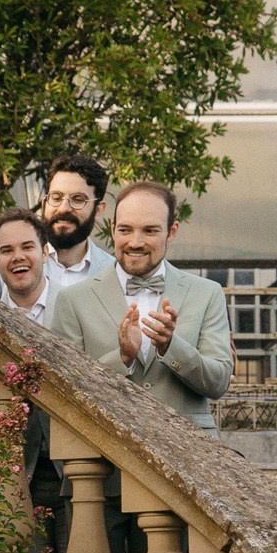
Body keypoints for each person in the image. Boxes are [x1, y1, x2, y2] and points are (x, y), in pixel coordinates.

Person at [48, 180, 233, 430]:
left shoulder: (207, 293)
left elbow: (218, 383)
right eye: (125, 230)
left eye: (150, 231)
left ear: (172, 231)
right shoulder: (73, 299)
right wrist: (122, 358)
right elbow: (65, 389)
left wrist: (171, 347)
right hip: (108, 457)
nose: (135, 242)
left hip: (192, 456)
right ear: (112, 229)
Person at [40, 154, 116, 285]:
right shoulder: (10, 263)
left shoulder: (114, 274)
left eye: (78, 199)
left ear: (98, 210)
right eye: (57, 198)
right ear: (44, 204)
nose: (63, 208)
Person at [0, 209, 57, 327]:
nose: (18, 257)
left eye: (27, 247)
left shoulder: (77, 306)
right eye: (7, 251)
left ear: (44, 253)